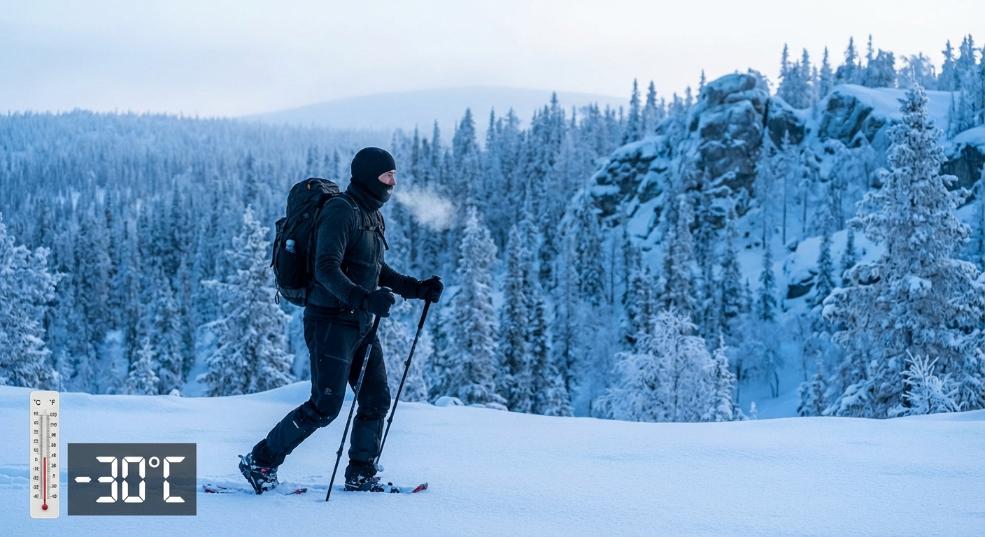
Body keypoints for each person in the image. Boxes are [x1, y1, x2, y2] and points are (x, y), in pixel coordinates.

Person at [239, 147, 443, 493]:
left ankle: (361, 472)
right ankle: (261, 460)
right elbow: (325, 268)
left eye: (394, 175)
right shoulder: (340, 211)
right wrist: (364, 297)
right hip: (330, 321)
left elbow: (376, 270)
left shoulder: (371, 215)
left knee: (376, 400)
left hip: (361, 322)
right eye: (387, 175)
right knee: (325, 406)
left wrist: (416, 288)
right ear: (368, 175)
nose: (393, 182)